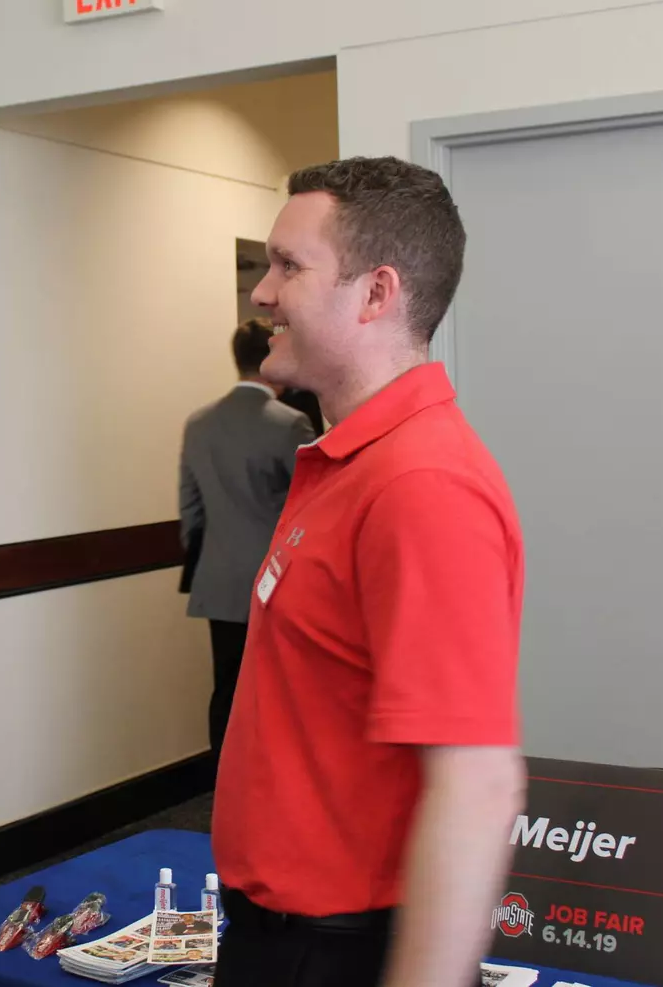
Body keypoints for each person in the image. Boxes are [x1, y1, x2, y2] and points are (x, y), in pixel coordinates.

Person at [212, 157, 526, 987]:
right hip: (280, 935)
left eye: (289, 266)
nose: (262, 293)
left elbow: (477, 784)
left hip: (334, 951)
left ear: (376, 293)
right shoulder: (350, 461)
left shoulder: (420, 485)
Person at [178, 319, 313, 775]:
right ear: (273, 358)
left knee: (226, 688)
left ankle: (224, 786)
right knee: (279, 690)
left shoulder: (199, 424)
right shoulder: (291, 423)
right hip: (276, 583)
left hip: (216, 581)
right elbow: (312, 508)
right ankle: (274, 784)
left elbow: (191, 512)